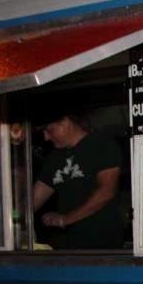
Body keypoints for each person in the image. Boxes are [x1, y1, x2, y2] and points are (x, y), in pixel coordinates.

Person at [32, 106, 124, 249]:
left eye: (49, 130)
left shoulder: (102, 144)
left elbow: (107, 191)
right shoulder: (53, 158)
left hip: (101, 244)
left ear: (66, 122)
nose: (46, 137)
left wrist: (65, 219)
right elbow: (33, 201)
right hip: (67, 246)